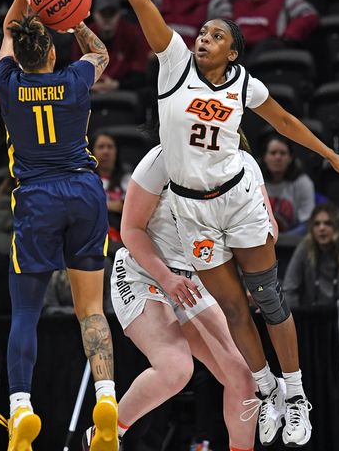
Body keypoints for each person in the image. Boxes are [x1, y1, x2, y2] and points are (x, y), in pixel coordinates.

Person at [74, 0, 339, 447]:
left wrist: (329, 155)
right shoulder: (171, 84)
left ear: (232, 50)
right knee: (184, 364)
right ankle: (109, 431)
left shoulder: (244, 107)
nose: (201, 38)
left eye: (213, 35)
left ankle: (288, 397)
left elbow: (281, 121)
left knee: (255, 340)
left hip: (218, 224)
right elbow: (141, 1)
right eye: (201, 32)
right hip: (153, 266)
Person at [0, 0, 118, 451]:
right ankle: (105, 399)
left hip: (37, 196)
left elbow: (9, 28)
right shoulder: (74, 80)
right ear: (49, 51)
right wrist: (74, 20)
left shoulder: (7, 83)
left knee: (25, 310)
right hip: (85, 192)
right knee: (91, 309)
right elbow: (100, 53)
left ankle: (21, 408)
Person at [89, 142, 274, 450]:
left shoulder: (244, 165)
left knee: (243, 378)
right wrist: (165, 277)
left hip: (194, 280)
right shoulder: (163, 157)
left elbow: (268, 228)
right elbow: (131, 229)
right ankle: (105, 435)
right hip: (144, 271)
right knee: (176, 368)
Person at [232, 0, 319, 64]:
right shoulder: (237, 4)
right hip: (241, 48)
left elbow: (308, 15)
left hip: (270, 46)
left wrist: (289, 35)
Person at [283, 203, 339, 307]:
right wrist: (292, 321)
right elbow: (289, 290)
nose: (321, 228)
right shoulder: (305, 248)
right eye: (316, 224)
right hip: (312, 318)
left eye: (328, 223)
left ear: (338, 227)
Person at [70, 0, 149, 93]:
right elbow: (75, 73)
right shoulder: (83, 36)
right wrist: (89, 85)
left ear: (119, 14)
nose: (107, 18)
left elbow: (140, 74)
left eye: (111, 13)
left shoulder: (132, 34)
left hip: (123, 89)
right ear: (94, 15)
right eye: (103, 13)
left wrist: (116, 85)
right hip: (90, 89)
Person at [260, 135, 315, 237]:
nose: (278, 157)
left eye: (283, 153)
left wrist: (281, 239)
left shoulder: (303, 183)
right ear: (265, 158)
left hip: (291, 243)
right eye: (273, 153)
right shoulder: (254, 182)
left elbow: (307, 223)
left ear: (290, 158)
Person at [89, 133, 132, 243]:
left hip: (123, 232)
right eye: (101, 147)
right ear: (92, 152)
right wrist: (111, 205)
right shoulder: (84, 180)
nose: (106, 152)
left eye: (110, 147)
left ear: (116, 151)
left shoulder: (129, 179)